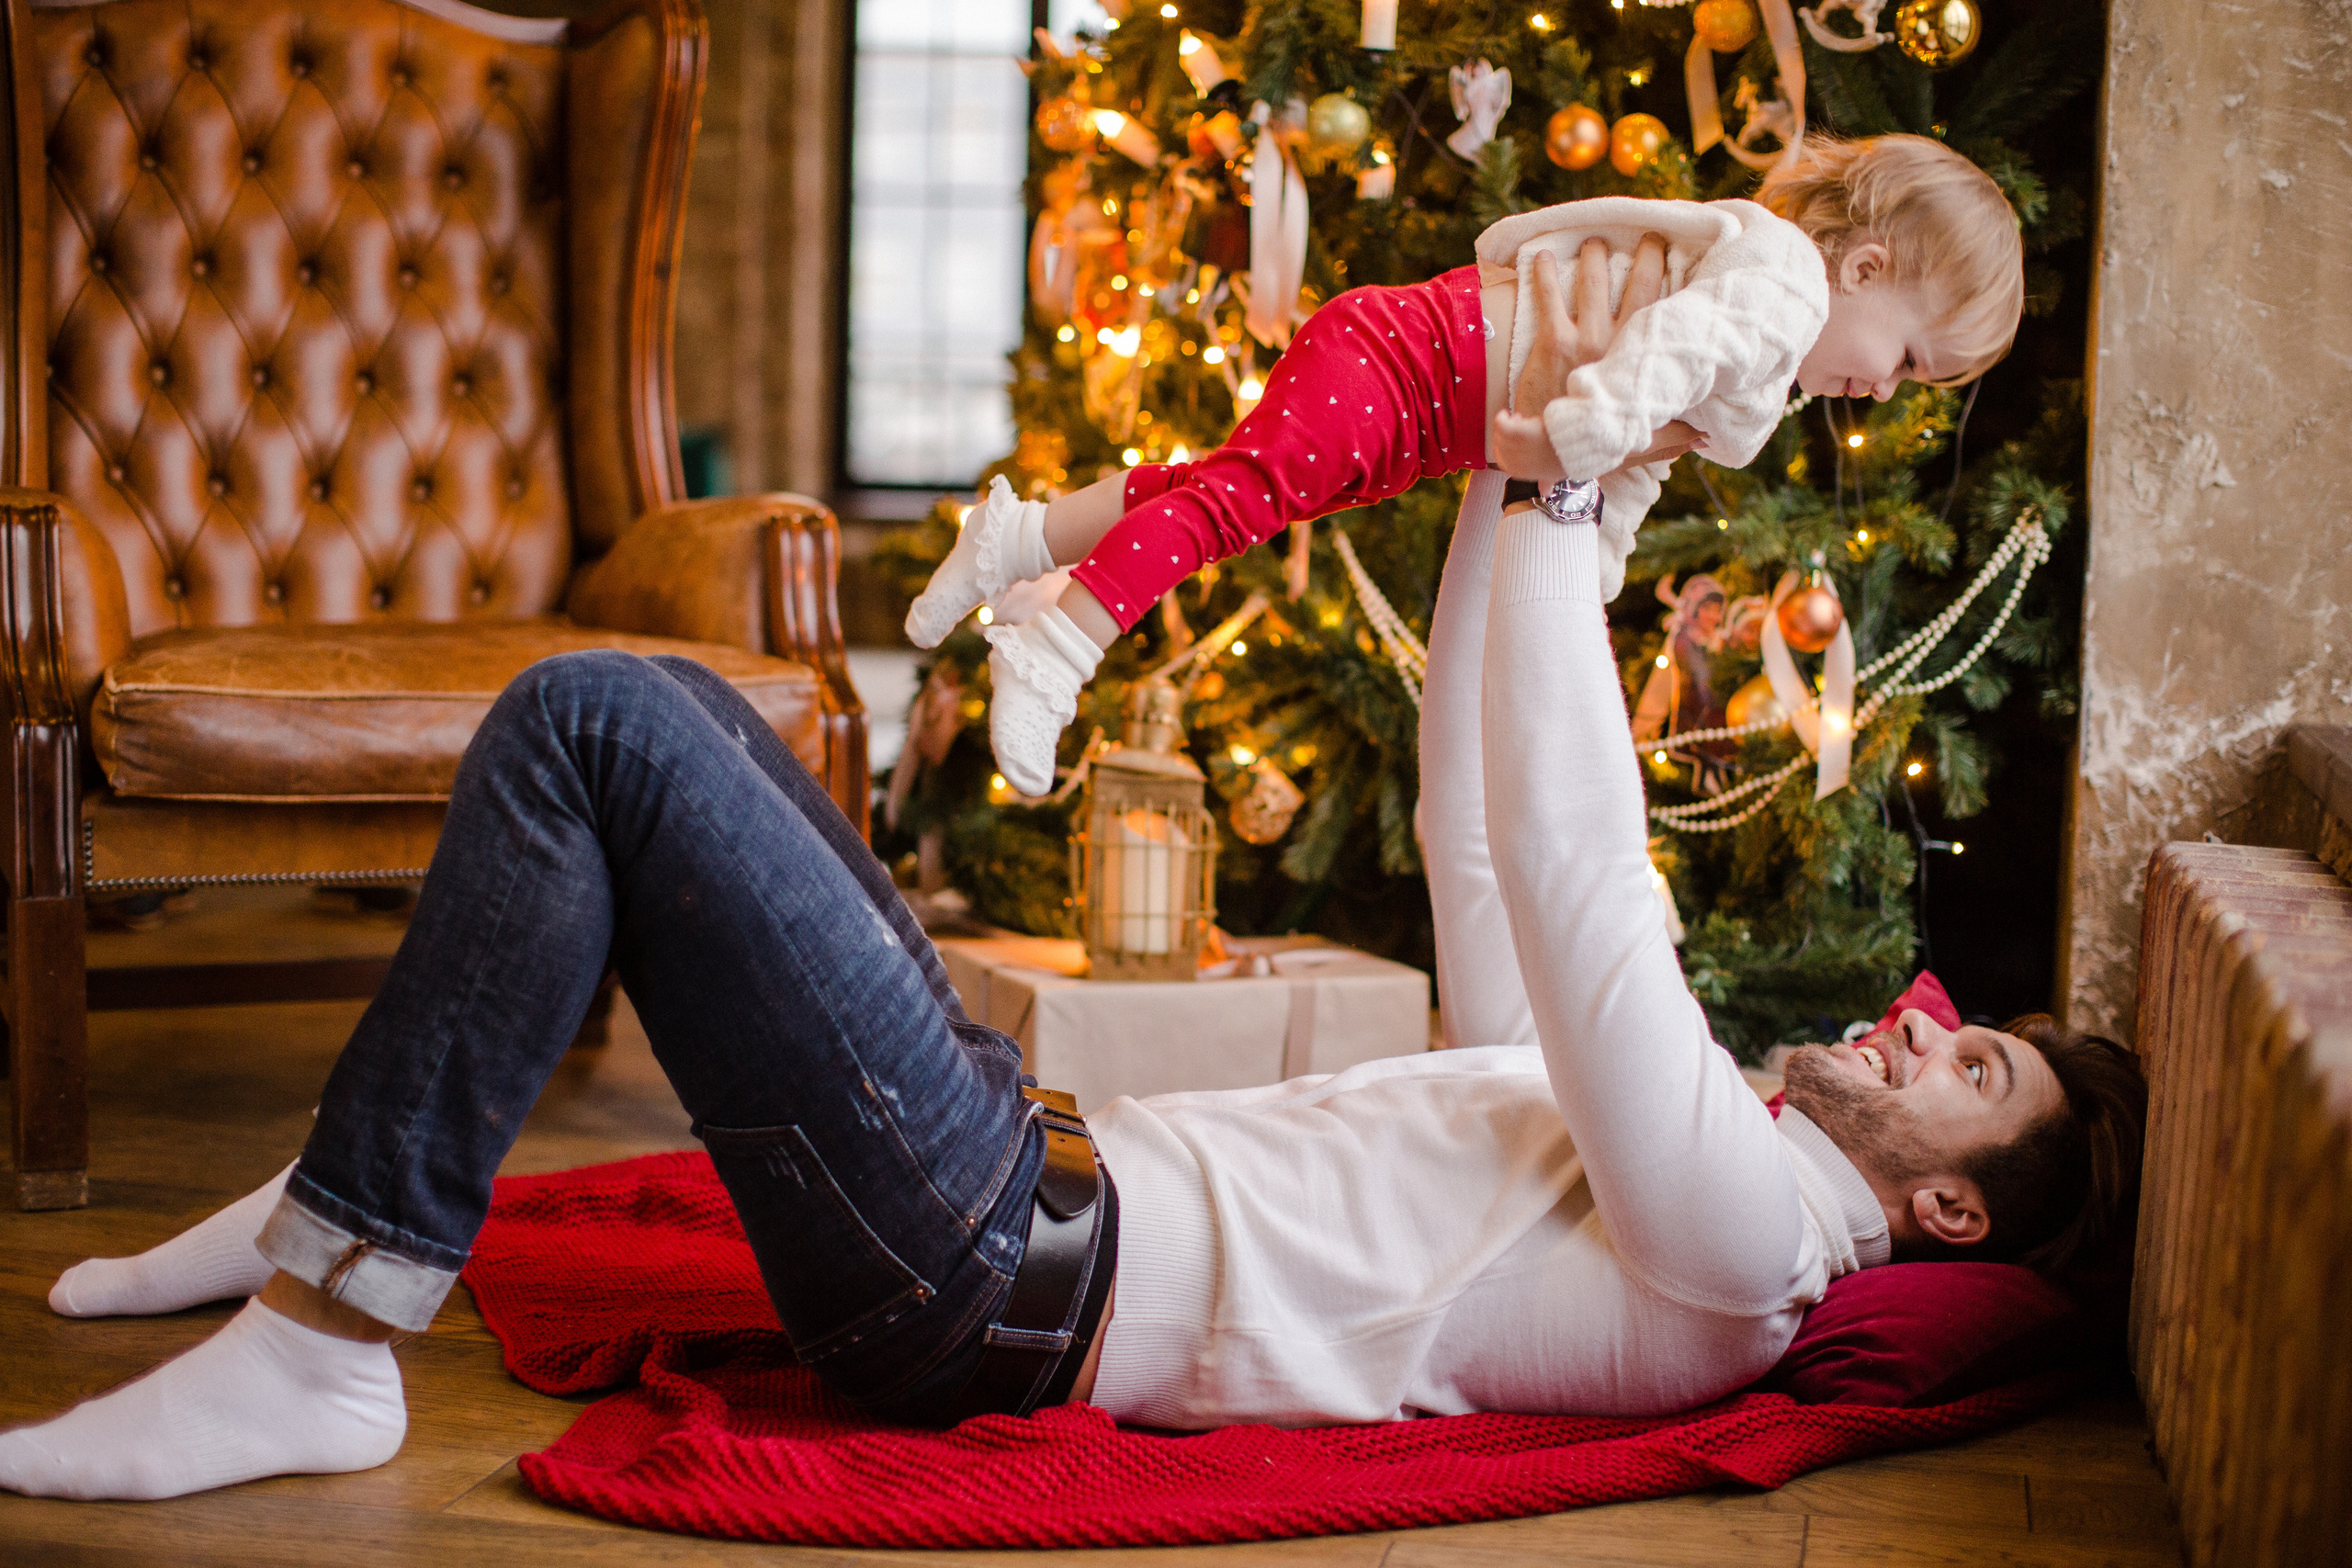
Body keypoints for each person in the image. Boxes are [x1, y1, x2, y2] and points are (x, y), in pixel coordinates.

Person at [0, 234, 2137, 1503]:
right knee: (671, 729)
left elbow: (1589, 883)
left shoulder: (1746, 1244)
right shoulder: (1687, 1163)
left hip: (989, 1266)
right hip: (995, 1170)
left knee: (597, 717)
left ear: (1947, 1210)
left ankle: (331, 1331)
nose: (1911, 1032)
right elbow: (1484, 842)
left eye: (1965, 1071)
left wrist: (1579, 489)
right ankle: (351, 1199)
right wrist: (1523, 464)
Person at [907, 132, 2026, 795]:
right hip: (1411, 361)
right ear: (1864, 267)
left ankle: (1019, 537)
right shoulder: (1783, 287)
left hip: (1420, 404)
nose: (1885, 391)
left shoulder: (1773, 357)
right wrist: (1580, 435)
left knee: (1215, 484)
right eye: (1907, 361)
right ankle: (1057, 647)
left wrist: (1595, 560)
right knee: (1237, 503)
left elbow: (1644, 453)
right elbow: (1655, 364)